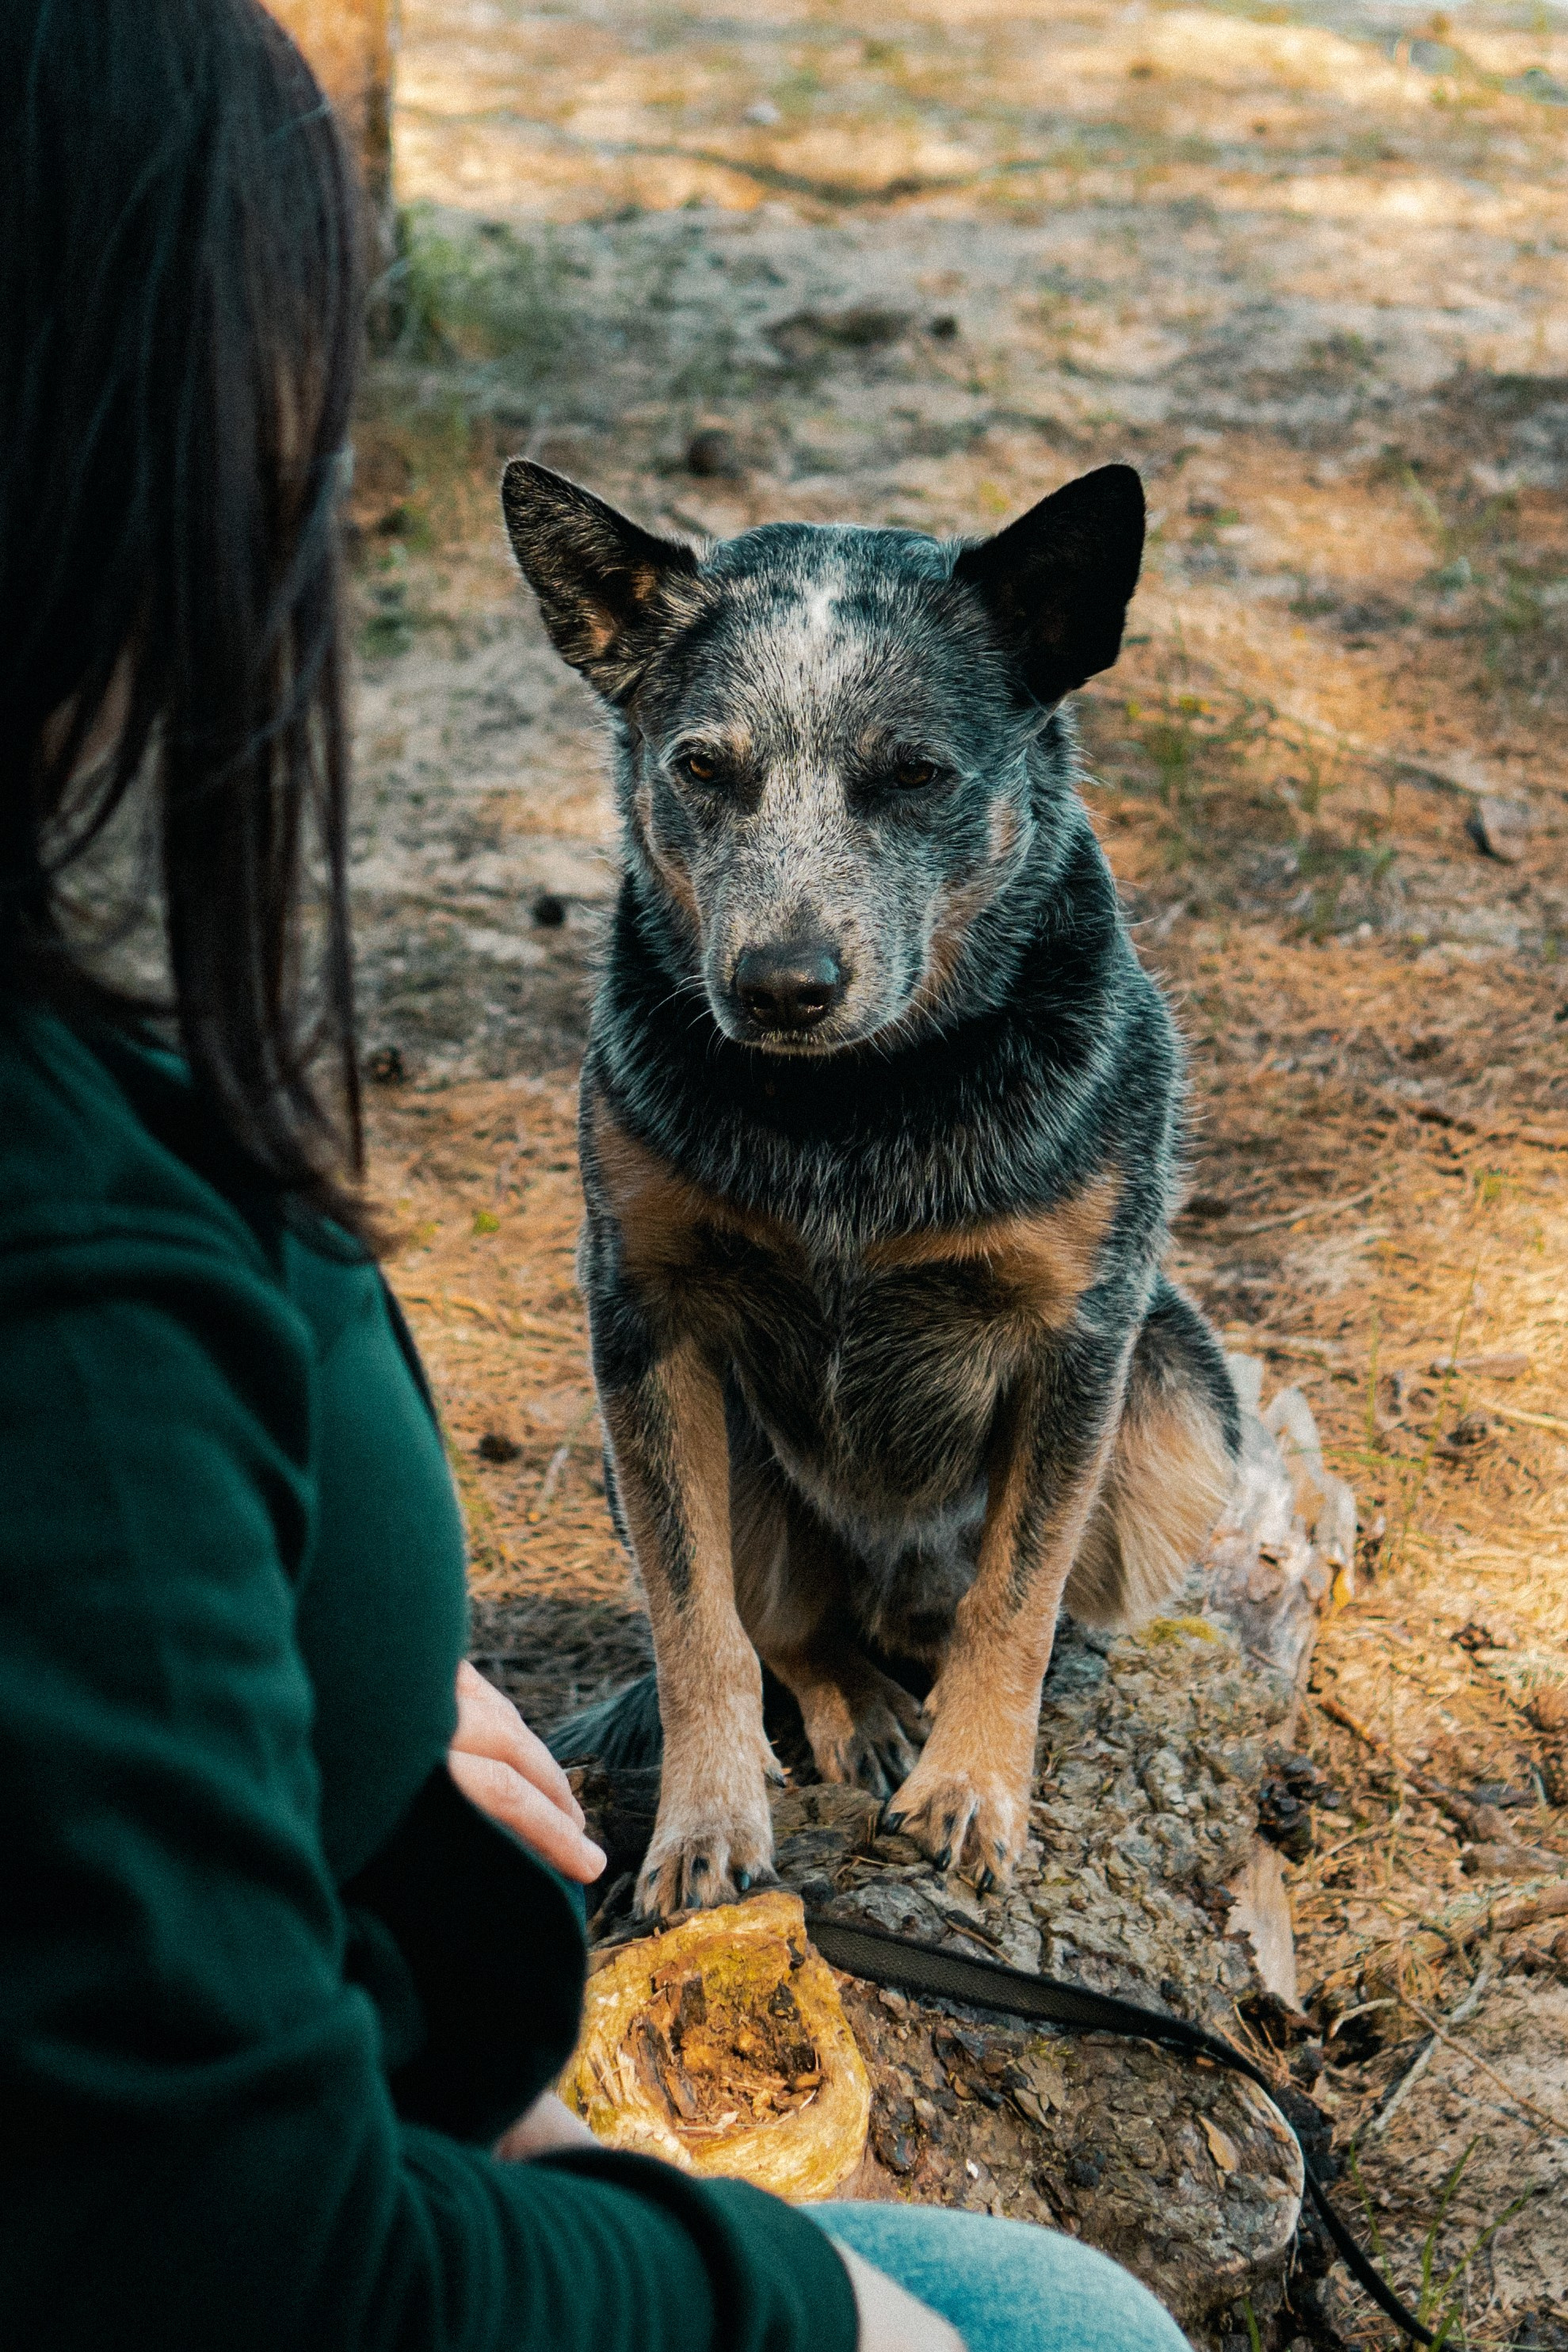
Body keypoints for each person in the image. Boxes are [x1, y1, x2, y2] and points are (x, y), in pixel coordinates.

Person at [0, 6, 1192, 2349]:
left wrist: (318, 1667)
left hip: (443, 2062)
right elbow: (232, 2246)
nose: (783, 918)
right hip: (368, 2216)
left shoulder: (95, 1219)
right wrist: (830, 2322)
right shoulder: (80, 1282)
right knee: (1069, 2331)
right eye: (302, 383)